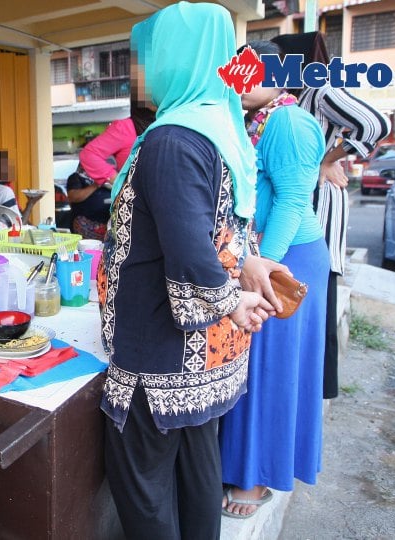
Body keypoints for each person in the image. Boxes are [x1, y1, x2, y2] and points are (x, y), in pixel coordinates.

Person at [99, 4, 276, 538]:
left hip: (163, 358)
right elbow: (217, 230)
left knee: (145, 491)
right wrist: (246, 263)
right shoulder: (221, 127)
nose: (139, 72)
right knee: (198, 474)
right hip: (207, 357)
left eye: (145, 59)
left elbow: (191, 257)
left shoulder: (173, 140)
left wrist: (232, 299)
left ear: (180, 57)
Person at [218, 40, 330, 519]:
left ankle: (257, 476)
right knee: (255, 365)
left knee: (269, 369)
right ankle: (244, 465)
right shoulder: (262, 119)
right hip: (268, 257)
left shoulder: (288, 121)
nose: (238, 83)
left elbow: (291, 201)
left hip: (287, 261)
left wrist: (264, 272)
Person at [271, 32, 390, 400]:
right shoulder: (291, 99)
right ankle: (306, 389)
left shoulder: (319, 89)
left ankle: (316, 390)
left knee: (314, 301)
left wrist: (327, 160)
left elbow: (375, 124)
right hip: (302, 205)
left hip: (317, 208)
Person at [70, 106, 155, 240]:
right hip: (133, 212)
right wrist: (118, 181)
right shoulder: (76, 178)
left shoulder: (171, 124)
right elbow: (89, 155)